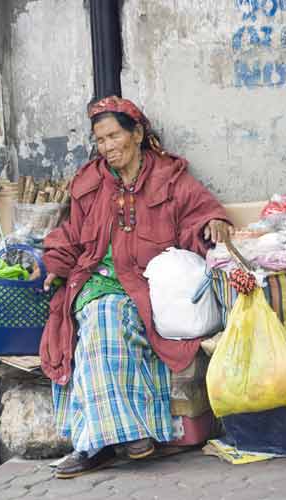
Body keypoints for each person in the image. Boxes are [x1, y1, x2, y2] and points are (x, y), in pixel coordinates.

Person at [40, 96, 233, 479]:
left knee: (111, 322)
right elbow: (71, 234)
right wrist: (55, 265)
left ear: (138, 133)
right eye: (100, 140)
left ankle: (93, 445)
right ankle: (125, 435)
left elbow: (200, 210)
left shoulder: (168, 177)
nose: (108, 147)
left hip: (145, 286)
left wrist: (213, 223)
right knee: (101, 318)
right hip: (97, 282)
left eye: (114, 136)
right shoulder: (90, 183)